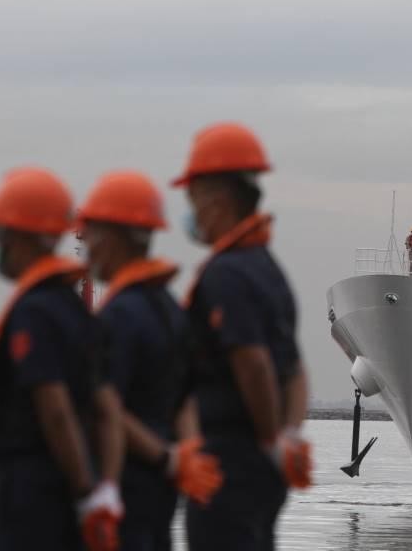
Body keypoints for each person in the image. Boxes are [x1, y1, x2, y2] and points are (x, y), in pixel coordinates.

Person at [0, 167, 124, 551]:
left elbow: (55, 411)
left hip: (34, 493)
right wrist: (100, 492)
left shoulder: (33, 312)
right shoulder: (74, 311)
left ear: (18, 236)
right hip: (65, 489)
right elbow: (106, 408)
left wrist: (85, 492)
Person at [172, 123, 310, 551]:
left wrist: (269, 440)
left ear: (217, 198)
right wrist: (288, 437)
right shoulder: (269, 268)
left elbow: (253, 362)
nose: (191, 210)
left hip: (228, 461)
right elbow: (294, 369)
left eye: (193, 197)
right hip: (260, 466)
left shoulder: (226, 275)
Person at [80, 170, 224, 551]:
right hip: (162, 492)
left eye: (91, 234)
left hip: (129, 481)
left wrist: (161, 461)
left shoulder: (119, 316)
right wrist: (188, 455)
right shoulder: (172, 310)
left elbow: (106, 408)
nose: (88, 246)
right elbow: (185, 398)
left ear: (116, 236)